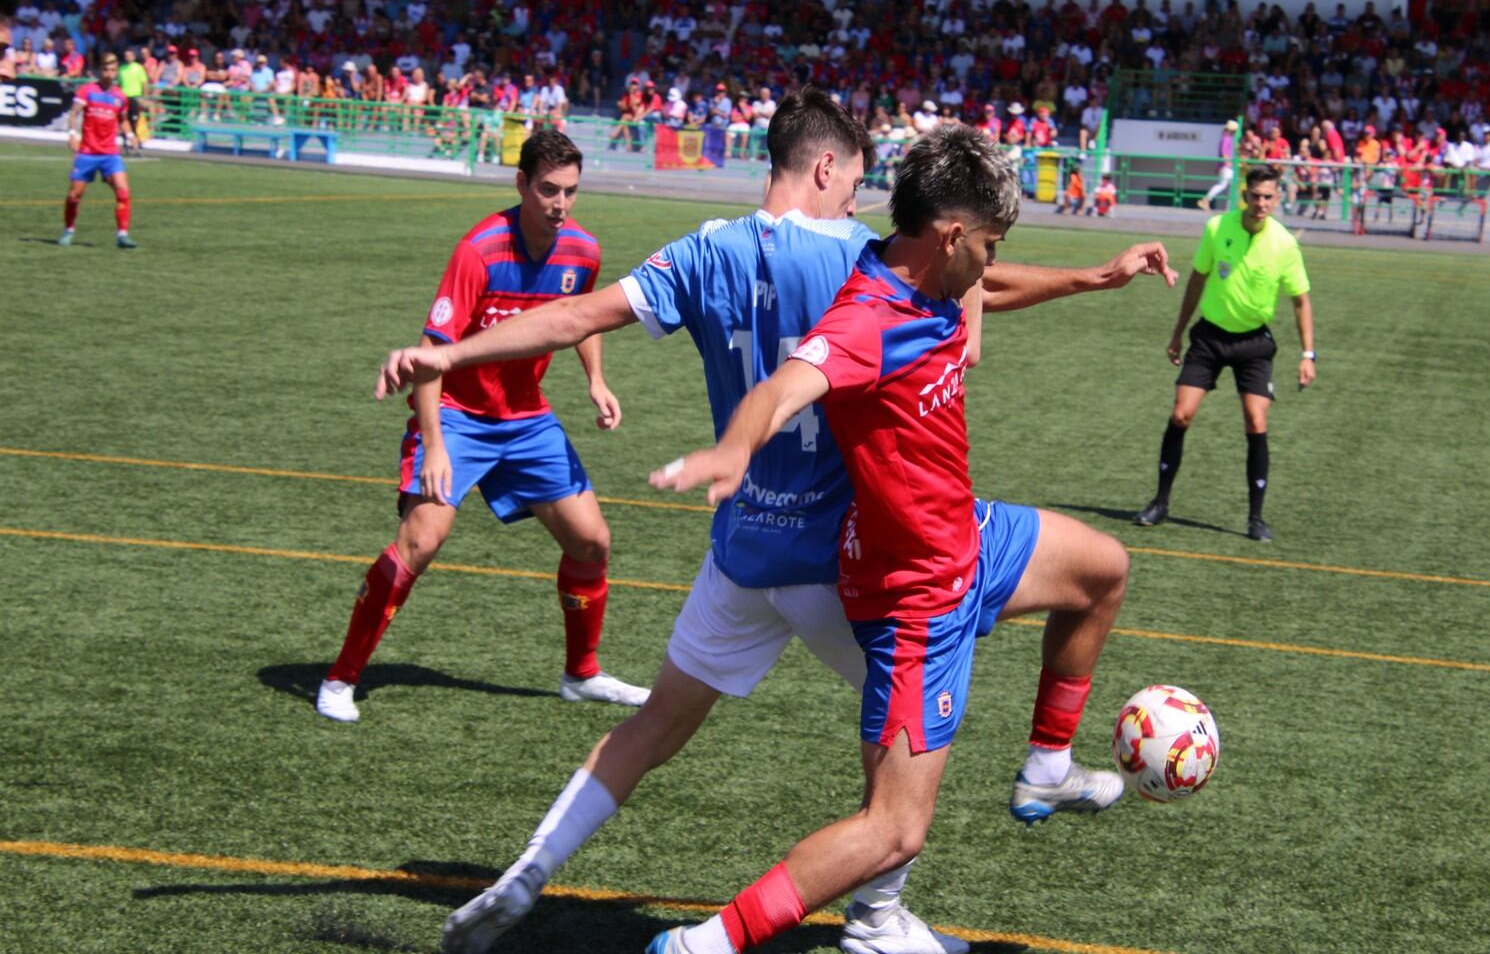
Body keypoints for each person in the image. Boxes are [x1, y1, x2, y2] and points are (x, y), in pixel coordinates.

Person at [380, 88, 971, 954]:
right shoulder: (859, 255)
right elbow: (964, 277)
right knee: (912, 732)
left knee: (653, 724)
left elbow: (579, 314)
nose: (862, 200)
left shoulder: (705, 250)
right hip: (833, 562)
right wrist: (1086, 279)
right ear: (824, 167)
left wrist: (454, 351)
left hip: (738, 553)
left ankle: (528, 873)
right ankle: (877, 922)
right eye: (856, 180)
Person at [644, 126, 1176, 954]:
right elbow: (790, 384)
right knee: (894, 829)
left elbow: (986, 287)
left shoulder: (929, 272)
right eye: (990, 243)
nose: (990, 264)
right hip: (915, 597)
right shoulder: (869, 316)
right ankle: (702, 945)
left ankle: (1044, 768)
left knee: (1103, 571)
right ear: (953, 236)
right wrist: (734, 447)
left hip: (969, 537)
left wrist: (1096, 277)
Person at [314, 130, 648, 724]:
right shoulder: (480, 250)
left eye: (571, 191)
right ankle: (341, 679)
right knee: (422, 540)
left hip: (526, 419)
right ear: (521, 184)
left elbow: (582, 319)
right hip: (455, 416)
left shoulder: (582, 250)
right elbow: (427, 357)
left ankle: (582, 675)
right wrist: (436, 444)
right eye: (548, 189)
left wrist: (595, 380)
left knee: (592, 541)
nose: (560, 204)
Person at [1134, 166, 1315, 542]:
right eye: (1256, 195)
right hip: (1210, 338)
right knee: (1181, 414)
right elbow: (1197, 280)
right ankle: (1160, 502)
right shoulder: (1217, 228)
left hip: (1254, 344)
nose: (1261, 203)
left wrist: (1308, 354)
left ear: (1277, 199)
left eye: (1269, 197)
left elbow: (1301, 301)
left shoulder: (1285, 244)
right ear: (1244, 196)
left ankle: (1255, 517)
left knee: (1255, 420)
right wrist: (1178, 333)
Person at [61, 54, 141, 249]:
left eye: (113, 70)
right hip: (87, 152)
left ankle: (122, 234)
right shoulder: (87, 90)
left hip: (110, 154)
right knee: (74, 195)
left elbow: (122, 120)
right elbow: (74, 113)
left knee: (123, 190)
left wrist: (130, 136)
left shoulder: (120, 96)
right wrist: (72, 134)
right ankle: (69, 230)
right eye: (106, 69)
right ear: (100, 70)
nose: (109, 73)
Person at [1200, 119, 1238, 210]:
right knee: (1227, 184)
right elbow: (1224, 152)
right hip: (1227, 166)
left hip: (1224, 165)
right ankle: (1207, 199)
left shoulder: (1226, 138)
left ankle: (1207, 199)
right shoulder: (1227, 139)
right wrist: (1228, 162)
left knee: (1226, 184)